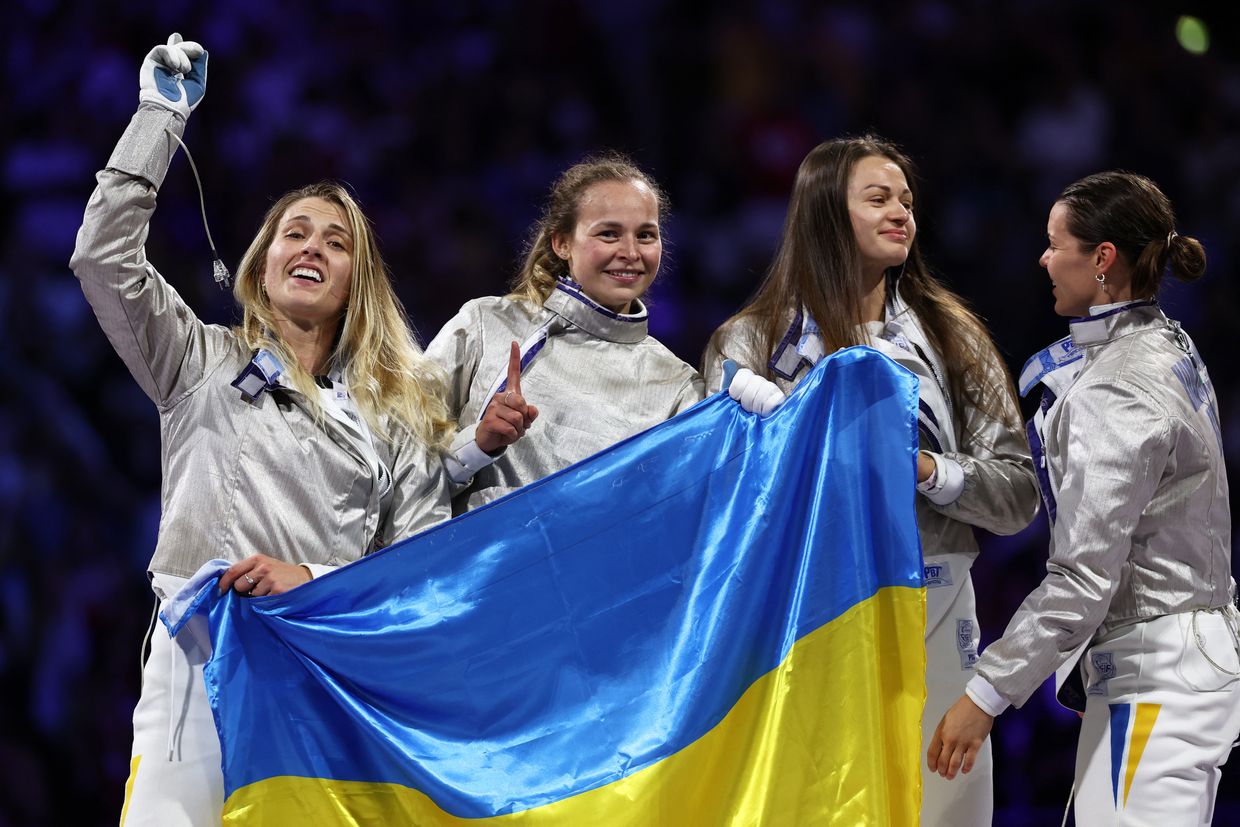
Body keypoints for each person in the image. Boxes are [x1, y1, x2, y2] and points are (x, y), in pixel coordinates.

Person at [70, 36, 452, 825]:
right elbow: (102, 259)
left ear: (357, 282)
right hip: (195, 667)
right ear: (262, 262)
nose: (312, 245)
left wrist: (308, 578)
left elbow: (421, 571)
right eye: (294, 232)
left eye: (335, 241)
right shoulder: (197, 360)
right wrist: (157, 120)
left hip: (323, 683)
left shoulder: (397, 416)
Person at [702, 135, 1039, 825]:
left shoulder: (952, 336)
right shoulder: (749, 343)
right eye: (878, 198)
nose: (901, 214)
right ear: (827, 213)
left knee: (944, 808)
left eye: (908, 201)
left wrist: (926, 469)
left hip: (936, 607)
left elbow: (1016, 495)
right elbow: (721, 494)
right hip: (803, 618)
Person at [930, 171, 1239, 825]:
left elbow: (1082, 576)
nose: (1043, 258)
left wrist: (984, 694)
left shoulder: (1118, 387)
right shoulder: (1164, 339)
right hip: (1176, 662)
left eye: (1055, 243)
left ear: (1102, 260)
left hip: (1156, 675)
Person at [426, 153, 776, 512]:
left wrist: (765, 429)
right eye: (609, 234)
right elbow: (399, 463)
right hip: (480, 565)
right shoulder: (486, 325)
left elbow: (694, 512)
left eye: (645, 235)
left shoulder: (678, 387)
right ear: (561, 243)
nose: (629, 252)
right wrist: (475, 447)